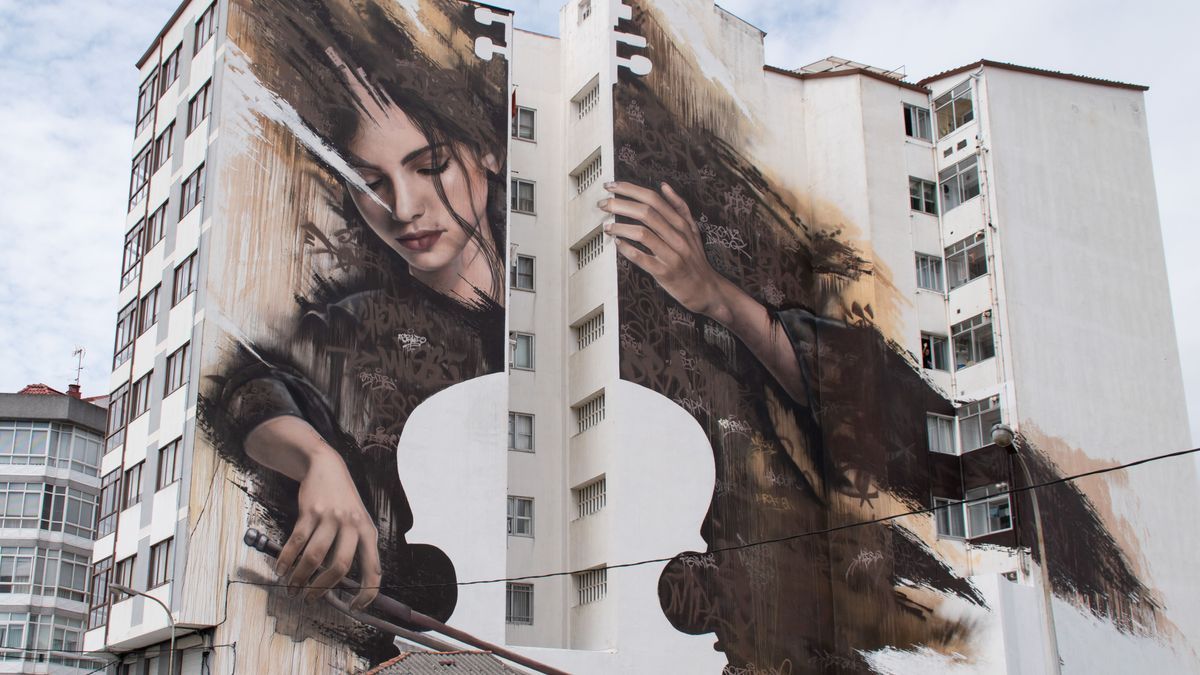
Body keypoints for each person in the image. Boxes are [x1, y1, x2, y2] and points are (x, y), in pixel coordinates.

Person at [205, 11, 508, 643]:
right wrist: (314, 456)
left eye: (431, 167)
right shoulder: (350, 322)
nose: (403, 208)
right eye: (370, 183)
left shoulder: (572, 314)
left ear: (490, 153)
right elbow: (249, 391)